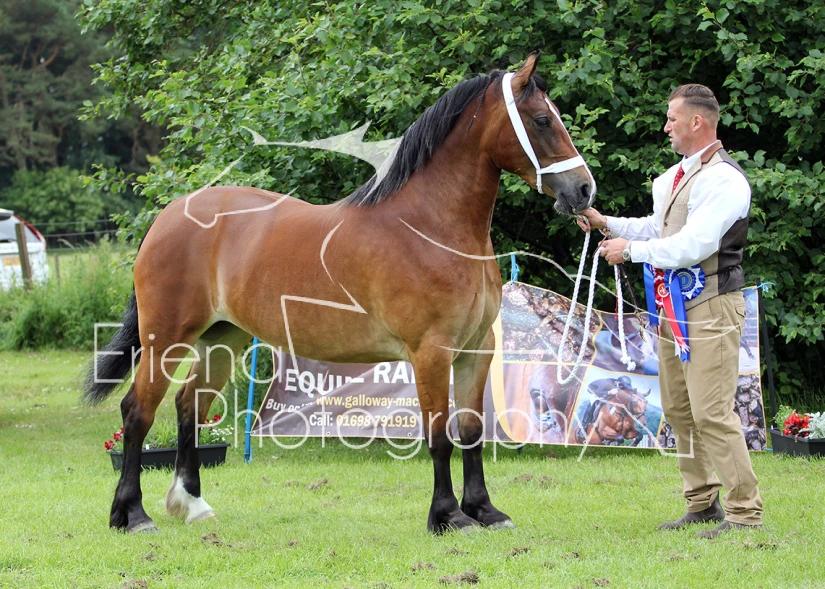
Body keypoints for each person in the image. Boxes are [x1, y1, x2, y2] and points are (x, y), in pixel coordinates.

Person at [577, 84, 762, 538]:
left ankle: (744, 513)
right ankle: (701, 504)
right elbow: (658, 228)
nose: (666, 127)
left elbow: (693, 245)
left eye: (672, 119)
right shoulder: (676, 177)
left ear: (697, 122)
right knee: (679, 410)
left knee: (712, 411)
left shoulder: (725, 180)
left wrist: (631, 251)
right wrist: (607, 224)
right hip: (673, 309)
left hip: (713, 305)